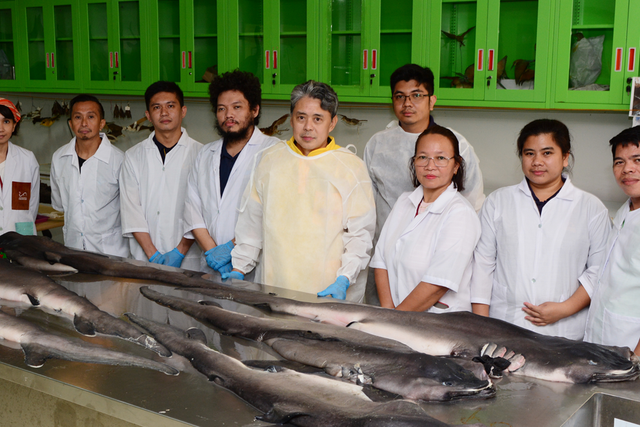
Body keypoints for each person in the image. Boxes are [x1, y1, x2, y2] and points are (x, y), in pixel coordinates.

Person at [224, 80, 376, 302]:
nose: (308, 127)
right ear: (291, 118)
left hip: (328, 290)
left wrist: (345, 277)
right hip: (275, 285)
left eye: (317, 119)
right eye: (301, 117)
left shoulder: (350, 167)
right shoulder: (270, 160)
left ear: (332, 123)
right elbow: (251, 225)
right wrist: (239, 267)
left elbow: (360, 234)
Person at [471, 119, 610, 340]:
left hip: (566, 330)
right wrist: (481, 326)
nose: (537, 161)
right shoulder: (498, 201)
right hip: (504, 325)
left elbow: (599, 271)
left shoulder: (591, 208)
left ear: (565, 157)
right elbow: (483, 264)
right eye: (529, 154)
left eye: (547, 153)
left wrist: (565, 309)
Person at [363, 64, 484, 304]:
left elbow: (473, 201)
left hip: (435, 259)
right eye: (400, 96)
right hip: (387, 260)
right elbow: (367, 203)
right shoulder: (378, 144)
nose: (408, 103)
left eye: (417, 95)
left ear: (432, 101)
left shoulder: (456, 143)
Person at [371, 126, 480, 312]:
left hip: (438, 327)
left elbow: (438, 283)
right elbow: (381, 261)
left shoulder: (460, 213)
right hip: (396, 318)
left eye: (440, 158)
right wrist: (389, 312)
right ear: (413, 162)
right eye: (422, 157)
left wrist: (395, 319)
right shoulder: (404, 202)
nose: (430, 166)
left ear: (456, 166)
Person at [183, 70, 279, 275]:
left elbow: (272, 213)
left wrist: (231, 249)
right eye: (221, 109)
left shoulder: (274, 152)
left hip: (255, 267)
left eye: (237, 107)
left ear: (254, 110)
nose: (229, 115)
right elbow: (193, 209)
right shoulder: (204, 154)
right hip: (211, 263)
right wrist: (213, 252)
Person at [120, 81, 203, 269]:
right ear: (148, 115)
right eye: (157, 107)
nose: (164, 113)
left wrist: (180, 251)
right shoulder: (133, 156)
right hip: (144, 257)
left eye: (170, 106)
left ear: (183, 111)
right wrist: (153, 254)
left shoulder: (202, 154)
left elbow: (201, 211)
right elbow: (131, 210)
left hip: (189, 259)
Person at [585, 127, 640, 355]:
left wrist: (636, 362)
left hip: (631, 349)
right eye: (619, 162)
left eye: (637, 159)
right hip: (607, 339)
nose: (627, 168)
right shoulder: (626, 209)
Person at [51, 95, 128, 256]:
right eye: (78, 117)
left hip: (111, 252)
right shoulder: (59, 158)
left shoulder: (119, 160)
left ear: (102, 123)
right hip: (73, 249)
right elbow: (59, 204)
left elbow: (130, 209)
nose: (84, 123)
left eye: (91, 117)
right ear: (71, 123)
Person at [0, 98, 39, 236]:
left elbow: (32, 204)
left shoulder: (27, 159)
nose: (1, 128)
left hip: (21, 238)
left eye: (6, 122)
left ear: (14, 126)